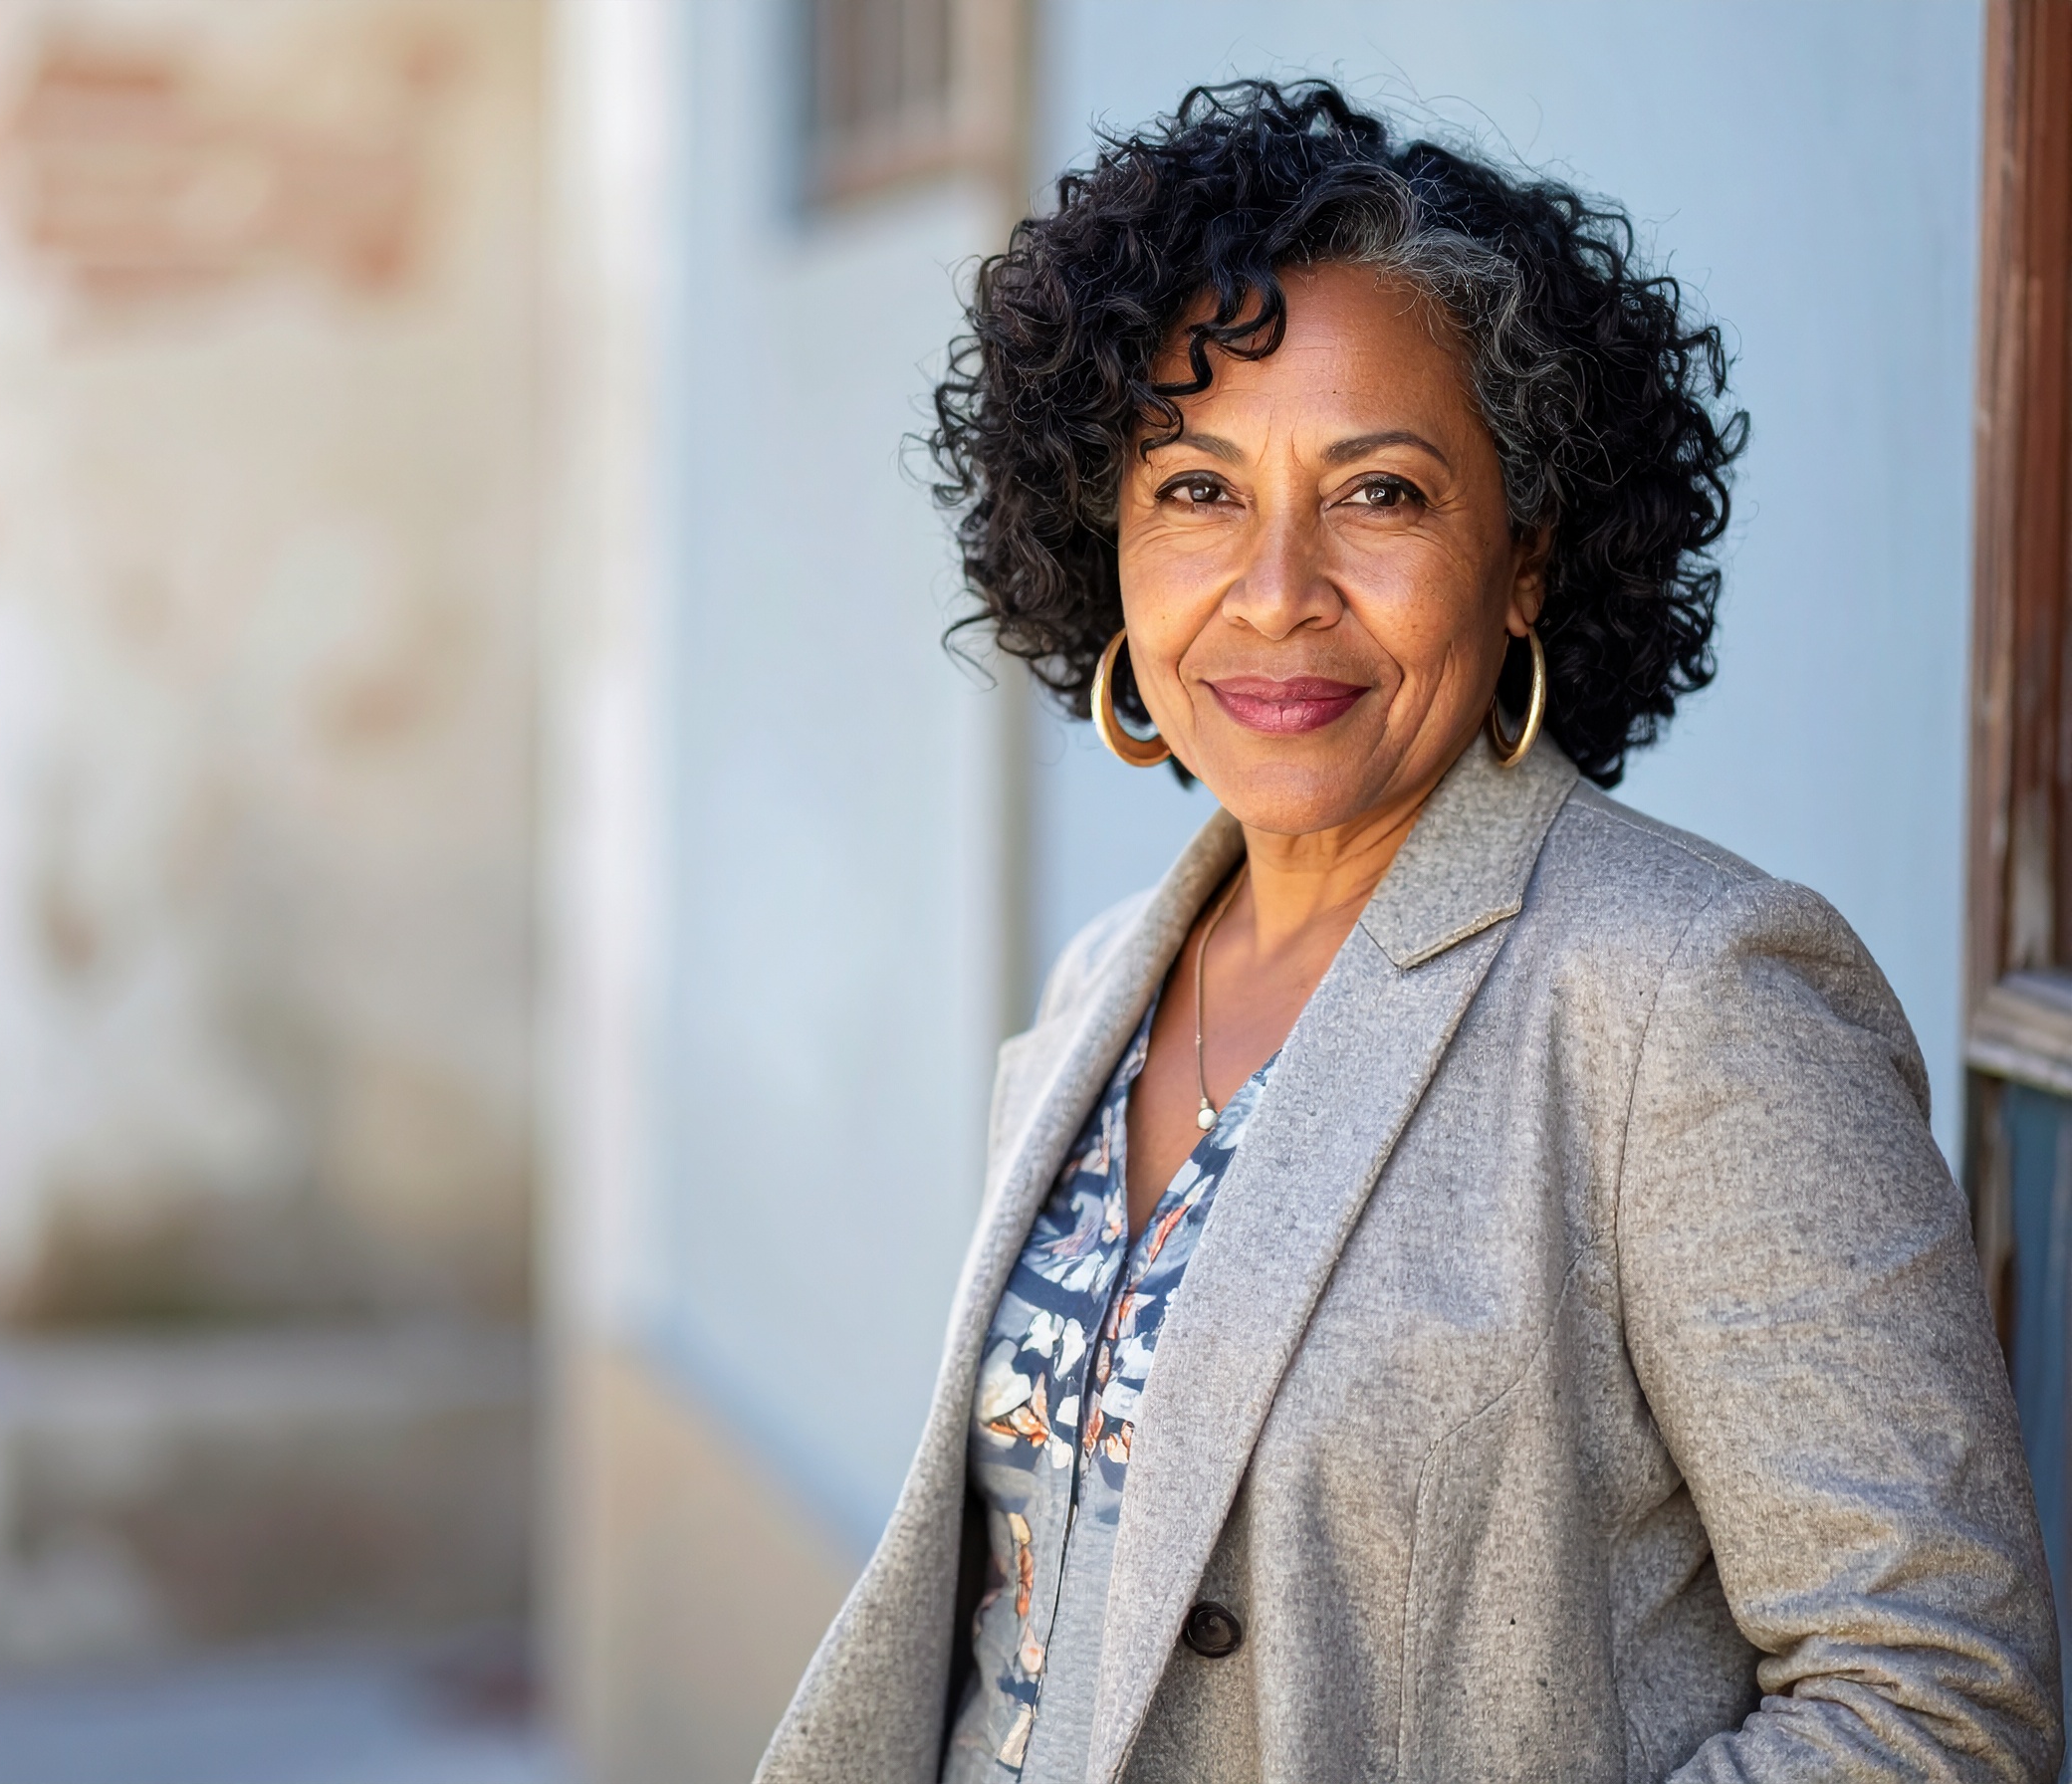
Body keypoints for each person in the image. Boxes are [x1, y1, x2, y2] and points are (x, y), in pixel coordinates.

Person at [756, 81, 2061, 1784]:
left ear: (1523, 561)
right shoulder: (1101, 988)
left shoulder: (1695, 1000)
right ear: (1105, 545)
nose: (1278, 587)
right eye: (1198, 493)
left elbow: (1937, 1701)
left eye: (1378, 494)